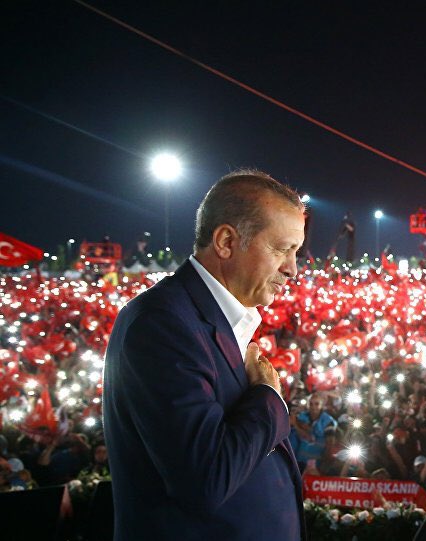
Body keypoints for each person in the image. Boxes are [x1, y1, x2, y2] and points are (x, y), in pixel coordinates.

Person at [103, 170, 307, 540]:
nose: (292, 269)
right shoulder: (162, 325)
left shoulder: (209, 320)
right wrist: (268, 398)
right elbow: (206, 478)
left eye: (295, 252)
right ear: (227, 241)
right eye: (281, 249)